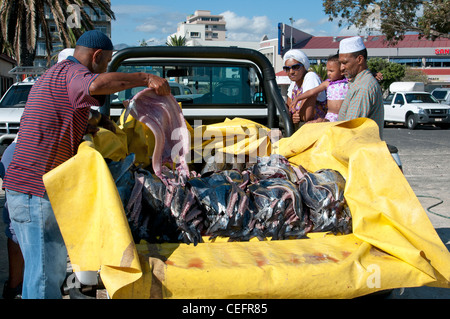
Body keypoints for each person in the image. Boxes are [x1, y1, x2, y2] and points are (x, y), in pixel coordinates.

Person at [2, 30, 170, 299]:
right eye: (105, 64)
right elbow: (94, 85)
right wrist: (143, 78)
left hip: (28, 189)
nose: (103, 69)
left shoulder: (54, 74)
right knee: (44, 277)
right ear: (97, 56)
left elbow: (65, 110)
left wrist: (97, 121)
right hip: (34, 192)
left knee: (44, 272)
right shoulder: (73, 74)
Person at [337, 36, 384, 138]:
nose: (341, 68)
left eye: (344, 63)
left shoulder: (362, 87)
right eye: (340, 63)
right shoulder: (358, 83)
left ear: (359, 59)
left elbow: (350, 131)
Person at [290, 54, 348, 123]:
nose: (328, 73)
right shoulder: (327, 83)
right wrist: (298, 98)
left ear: (342, 71)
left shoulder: (348, 83)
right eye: (327, 71)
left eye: (331, 71)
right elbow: (311, 92)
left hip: (345, 115)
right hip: (331, 116)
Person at [1, 140, 24, 299]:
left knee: (16, 227)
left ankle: (14, 286)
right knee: (17, 227)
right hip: (24, 157)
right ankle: (15, 286)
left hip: (16, 154)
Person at [284, 49, 327, 130]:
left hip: (316, 129)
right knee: (268, 131)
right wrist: (294, 116)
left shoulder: (310, 76)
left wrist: (297, 116)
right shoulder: (293, 84)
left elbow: (306, 116)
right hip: (302, 128)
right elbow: (289, 109)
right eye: (287, 68)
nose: (291, 72)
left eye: (295, 67)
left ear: (304, 67)